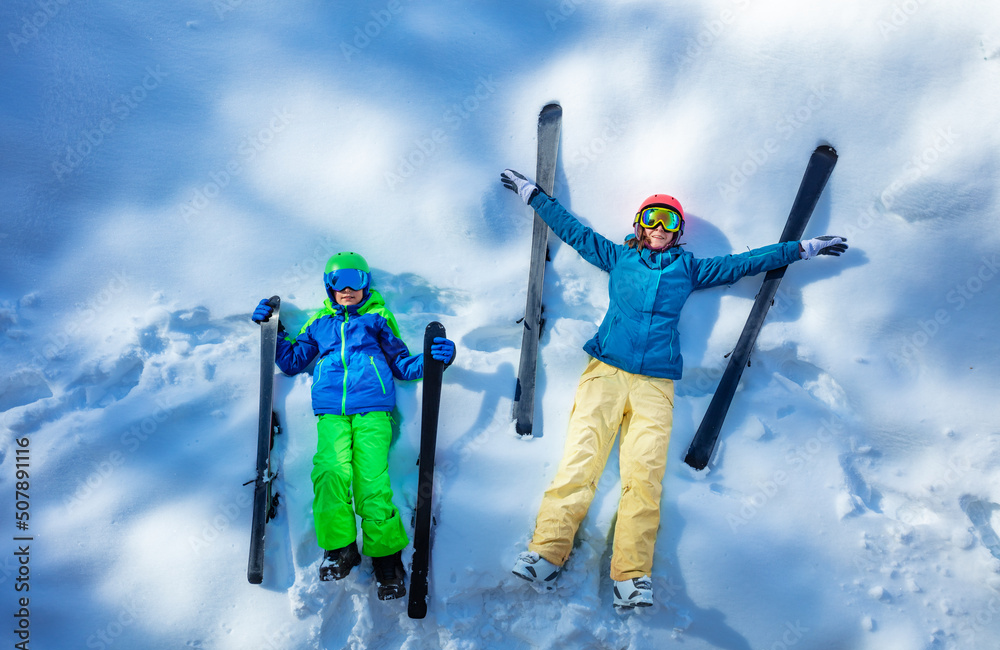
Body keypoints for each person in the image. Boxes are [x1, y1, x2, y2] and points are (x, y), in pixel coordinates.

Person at [500, 169, 847, 609]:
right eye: (651, 218)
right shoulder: (616, 257)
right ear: (639, 225)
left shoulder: (689, 270)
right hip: (604, 373)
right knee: (579, 462)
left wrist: (802, 249)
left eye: (667, 220)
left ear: (678, 230)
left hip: (656, 385)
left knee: (643, 477)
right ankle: (546, 552)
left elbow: (746, 262)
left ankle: (631, 575)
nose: (658, 228)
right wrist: (534, 195)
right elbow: (573, 230)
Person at [251, 251, 456, 600]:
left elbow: (403, 364)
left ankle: (386, 559)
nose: (347, 289)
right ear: (329, 287)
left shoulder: (377, 319)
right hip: (331, 412)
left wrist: (435, 360)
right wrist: (275, 329)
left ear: (366, 284)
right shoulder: (319, 322)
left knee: (371, 482)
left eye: (355, 281)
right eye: (338, 282)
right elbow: (291, 362)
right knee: (330, 473)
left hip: (374, 411)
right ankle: (340, 548)